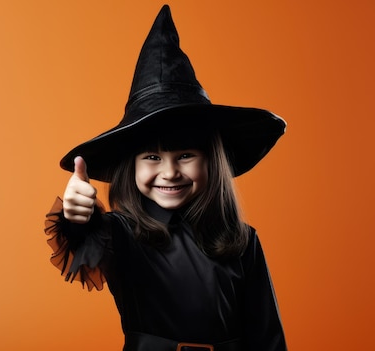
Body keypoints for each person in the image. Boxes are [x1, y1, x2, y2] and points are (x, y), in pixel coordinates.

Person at [43, 4, 288, 351]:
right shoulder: (121, 234)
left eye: (185, 155)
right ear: (132, 167)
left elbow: (268, 338)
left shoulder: (243, 242)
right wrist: (76, 215)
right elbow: (83, 239)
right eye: (153, 157)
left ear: (212, 162)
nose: (170, 171)